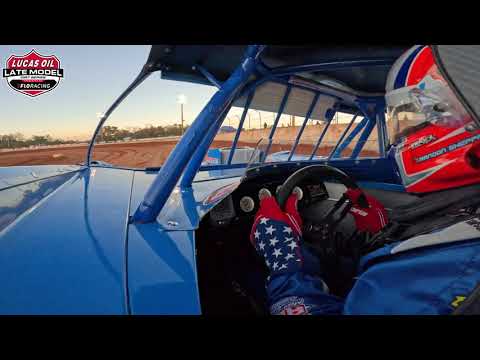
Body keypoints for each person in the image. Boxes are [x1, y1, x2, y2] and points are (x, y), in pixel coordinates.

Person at [250, 45, 480, 315]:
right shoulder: (455, 235)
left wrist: (286, 265)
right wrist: (376, 236)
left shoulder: (420, 280)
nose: (403, 134)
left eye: (413, 117)